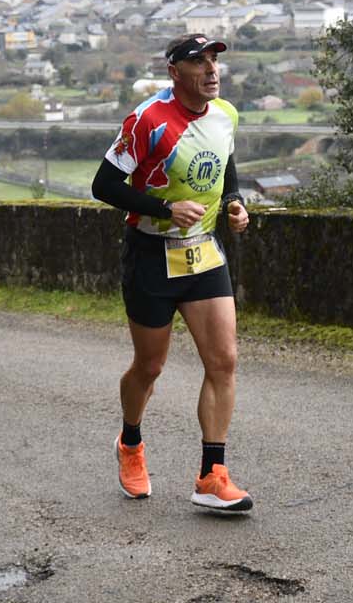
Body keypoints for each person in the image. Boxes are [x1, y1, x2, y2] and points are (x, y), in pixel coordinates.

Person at [92, 33, 253, 512]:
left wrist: (234, 203)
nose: (211, 70)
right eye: (198, 62)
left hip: (203, 252)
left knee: (223, 361)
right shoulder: (148, 120)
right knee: (150, 366)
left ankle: (212, 475)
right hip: (150, 255)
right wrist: (163, 207)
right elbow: (103, 185)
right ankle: (131, 442)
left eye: (214, 61)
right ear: (174, 73)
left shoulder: (226, 114)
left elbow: (225, 165)